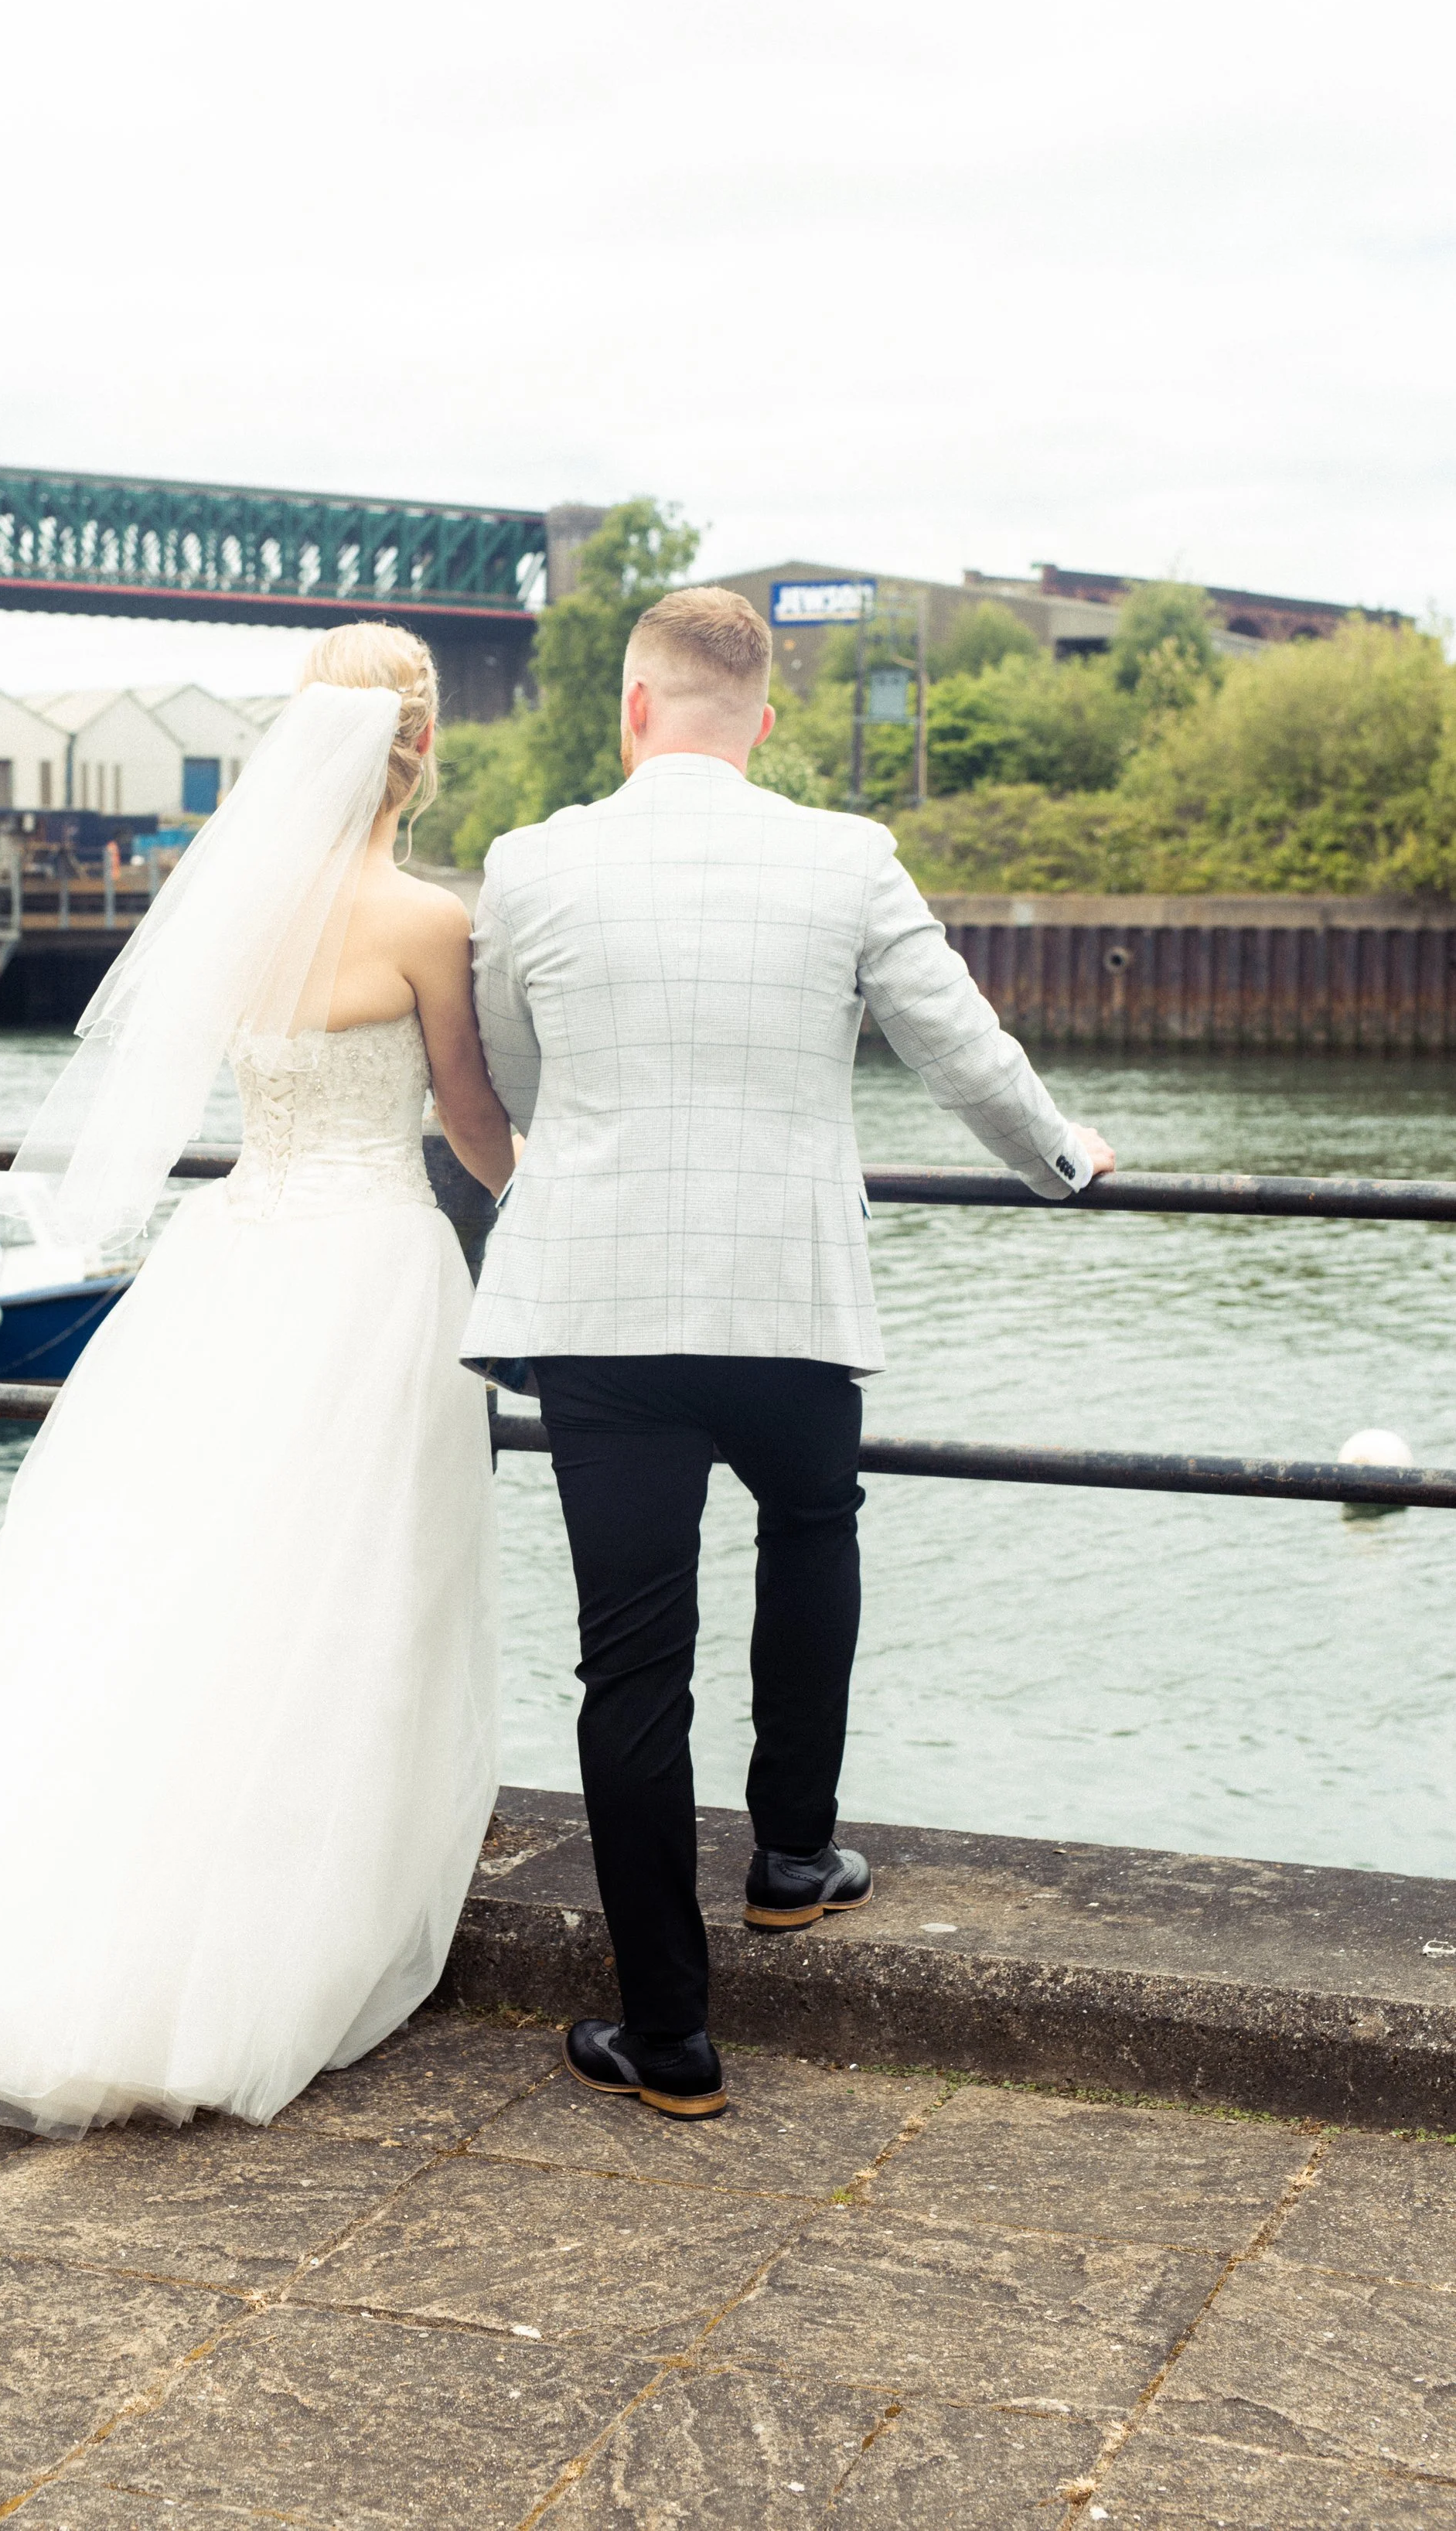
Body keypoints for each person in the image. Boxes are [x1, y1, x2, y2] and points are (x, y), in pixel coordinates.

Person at [0, 626, 514, 2136]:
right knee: (352, 1588)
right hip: (370, 1267)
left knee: (170, 1577)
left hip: (232, 1260)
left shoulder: (236, 913)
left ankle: (78, 1916)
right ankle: (289, 1920)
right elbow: (468, 1129)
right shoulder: (421, 921)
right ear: (422, 749)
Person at [467, 585, 1114, 2120]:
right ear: (760, 723)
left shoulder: (532, 862)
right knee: (811, 1535)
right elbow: (960, 1049)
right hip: (784, 1302)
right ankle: (789, 1856)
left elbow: (512, 1074)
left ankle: (667, 2034)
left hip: (602, 1309)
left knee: (629, 1659)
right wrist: (1060, 1163)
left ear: (632, 709)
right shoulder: (844, 858)